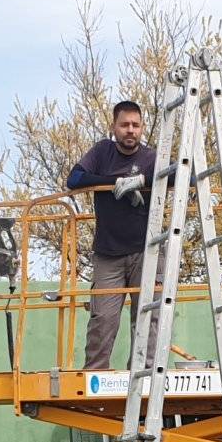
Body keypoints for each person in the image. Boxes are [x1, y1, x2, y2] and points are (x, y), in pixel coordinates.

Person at [66, 100, 159, 369]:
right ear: (114, 127)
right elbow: (75, 179)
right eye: (124, 125)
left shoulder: (152, 158)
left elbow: (184, 176)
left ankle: (143, 373)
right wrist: (114, 183)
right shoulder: (102, 152)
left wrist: (141, 182)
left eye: (135, 125)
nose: (130, 130)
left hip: (147, 251)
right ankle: (95, 371)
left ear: (142, 128)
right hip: (108, 253)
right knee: (103, 317)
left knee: (147, 314)